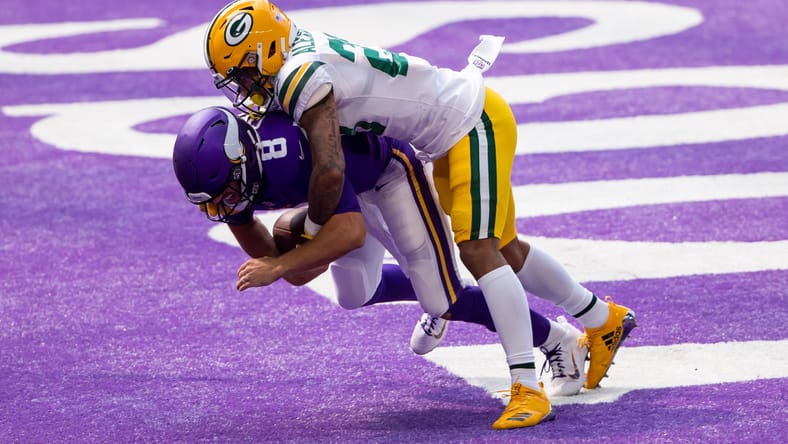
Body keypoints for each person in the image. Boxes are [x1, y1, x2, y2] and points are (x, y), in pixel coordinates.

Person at [203, 0, 637, 429]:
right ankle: (602, 319)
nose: (243, 87)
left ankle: (527, 386)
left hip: (469, 121)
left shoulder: (300, 75)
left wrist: (312, 229)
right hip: (444, 135)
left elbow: (331, 169)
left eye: (244, 72)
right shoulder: (297, 59)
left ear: (267, 52)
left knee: (480, 251)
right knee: (505, 247)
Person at [171, 107, 590, 414]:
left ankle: (558, 340)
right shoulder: (231, 183)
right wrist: (286, 261)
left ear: (242, 158)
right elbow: (284, 263)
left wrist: (284, 264)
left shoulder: (286, 161)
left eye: (227, 193)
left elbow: (347, 233)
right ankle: (432, 286)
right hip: (348, 195)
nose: (225, 205)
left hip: (391, 175)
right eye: (215, 200)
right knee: (355, 294)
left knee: (446, 299)